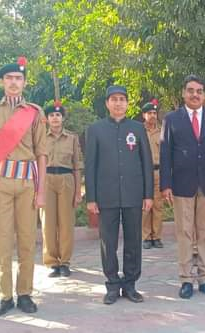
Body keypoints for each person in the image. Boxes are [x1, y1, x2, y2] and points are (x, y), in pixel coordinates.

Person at [0, 57, 47, 316]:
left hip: (28, 183)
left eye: (18, 78)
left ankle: (25, 293)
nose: (14, 82)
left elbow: (42, 153)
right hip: (0, 183)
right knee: (2, 242)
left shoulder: (35, 112)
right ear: (2, 82)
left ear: (24, 82)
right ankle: (5, 296)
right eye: (9, 78)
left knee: (28, 241)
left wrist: (41, 191)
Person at [160, 74, 205, 299]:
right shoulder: (171, 119)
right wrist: (166, 184)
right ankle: (185, 279)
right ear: (183, 93)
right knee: (184, 232)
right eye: (190, 90)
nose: (195, 94)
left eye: (199, 91)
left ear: (204, 95)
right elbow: (165, 154)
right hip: (182, 184)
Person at [85, 85, 154, 304]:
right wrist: (91, 198)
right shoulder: (95, 130)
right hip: (106, 196)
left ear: (127, 103)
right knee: (108, 243)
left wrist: (148, 194)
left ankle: (131, 284)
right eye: (113, 99)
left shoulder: (137, 128)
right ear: (107, 103)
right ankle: (113, 285)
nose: (118, 103)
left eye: (122, 99)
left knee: (134, 241)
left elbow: (146, 163)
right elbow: (90, 166)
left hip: (134, 195)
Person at [41, 100, 83, 278]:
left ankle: (65, 262)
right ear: (47, 119)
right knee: (47, 223)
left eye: (58, 115)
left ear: (63, 118)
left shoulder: (72, 138)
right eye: (51, 115)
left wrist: (79, 190)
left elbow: (77, 165)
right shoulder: (41, 137)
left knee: (66, 223)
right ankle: (52, 262)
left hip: (66, 179)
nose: (55, 118)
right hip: (46, 180)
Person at [141, 99, 166, 249]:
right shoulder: (138, 131)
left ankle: (156, 236)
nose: (152, 115)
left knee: (158, 206)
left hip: (159, 172)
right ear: (143, 115)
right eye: (149, 113)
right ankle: (146, 237)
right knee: (145, 206)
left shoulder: (163, 131)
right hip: (144, 173)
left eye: (154, 113)